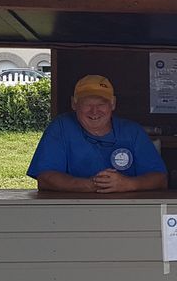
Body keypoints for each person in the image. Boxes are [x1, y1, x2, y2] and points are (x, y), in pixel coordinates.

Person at [28, 75, 168, 193]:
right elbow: (45, 178)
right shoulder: (61, 127)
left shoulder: (132, 132)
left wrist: (128, 184)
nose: (94, 111)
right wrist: (91, 185)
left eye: (101, 104)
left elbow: (160, 179)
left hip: (125, 211)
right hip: (72, 211)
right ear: (74, 104)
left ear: (113, 104)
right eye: (87, 104)